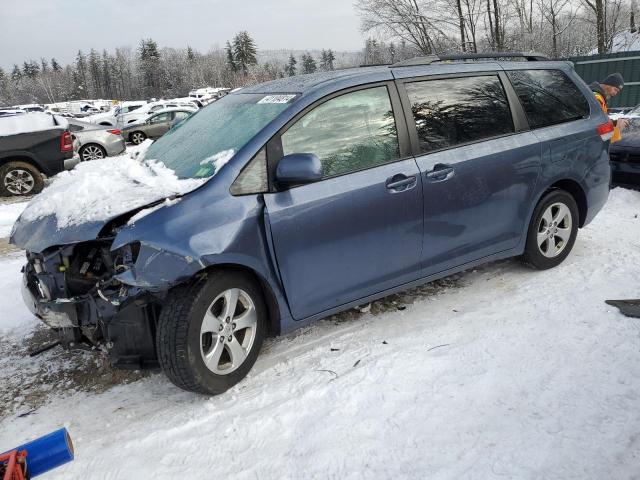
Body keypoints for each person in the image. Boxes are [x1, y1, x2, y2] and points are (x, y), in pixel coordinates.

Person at [590, 73, 629, 142]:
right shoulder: (597, 99)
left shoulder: (596, 96)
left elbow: (600, 121)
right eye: (615, 89)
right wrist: (618, 128)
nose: (615, 93)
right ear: (608, 84)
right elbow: (601, 135)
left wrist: (614, 122)